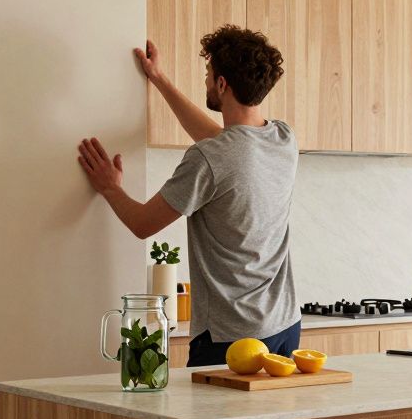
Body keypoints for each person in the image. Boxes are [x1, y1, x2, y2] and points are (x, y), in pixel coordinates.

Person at [77, 24, 300, 366]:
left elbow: (142, 224)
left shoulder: (210, 158)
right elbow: (221, 143)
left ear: (222, 84)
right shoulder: (283, 139)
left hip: (231, 338)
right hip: (284, 325)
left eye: (209, 74)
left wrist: (110, 187)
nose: (206, 81)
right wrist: (160, 79)